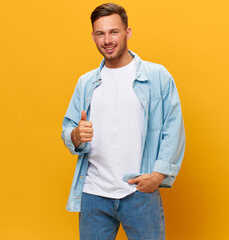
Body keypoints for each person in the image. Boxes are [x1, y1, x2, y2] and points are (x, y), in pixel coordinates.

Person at [61, 3, 185, 240]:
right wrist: (75, 136)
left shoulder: (156, 76)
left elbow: (173, 128)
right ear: (93, 36)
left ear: (127, 32)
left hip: (139, 193)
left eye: (113, 32)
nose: (107, 40)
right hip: (93, 195)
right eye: (100, 33)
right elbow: (69, 128)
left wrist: (158, 174)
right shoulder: (86, 83)